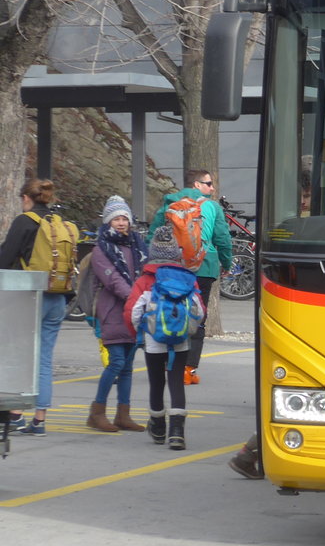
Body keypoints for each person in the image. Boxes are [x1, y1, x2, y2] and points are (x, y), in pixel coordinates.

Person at [0, 179, 75, 436]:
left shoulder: (25, 221)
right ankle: (39, 420)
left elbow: (5, 258)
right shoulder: (57, 221)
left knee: (16, 357)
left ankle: (16, 415)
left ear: (25, 198)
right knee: (43, 359)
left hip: (29, 298)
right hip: (56, 297)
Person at [148, 168, 232, 385]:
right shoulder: (212, 207)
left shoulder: (169, 204)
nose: (212, 188)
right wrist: (226, 262)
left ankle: (169, 363)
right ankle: (187, 369)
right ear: (197, 185)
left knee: (172, 312)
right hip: (204, 266)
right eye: (208, 183)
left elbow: (153, 235)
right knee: (197, 317)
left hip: (174, 267)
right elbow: (222, 238)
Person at [127, 226, 205, 450]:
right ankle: (177, 433)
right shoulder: (187, 279)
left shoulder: (145, 280)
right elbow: (199, 310)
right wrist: (189, 330)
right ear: (176, 253)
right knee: (176, 383)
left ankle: (159, 428)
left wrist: (139, 333)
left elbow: (133, 310)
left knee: (156, 383)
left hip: (154, 340)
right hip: (180, 340)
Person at [86, 195, 150, 433]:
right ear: (108, 222)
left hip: (134, 312)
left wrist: (141, 298)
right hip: (113, 310)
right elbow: (111, 280)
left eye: (124, 218)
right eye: (116, 219)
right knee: (117, 363)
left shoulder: (137, 244)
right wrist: (137, 297)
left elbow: (146, 272)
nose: (121, 223)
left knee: (128, 367)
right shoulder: (100, 248)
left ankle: (123, 414)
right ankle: (97, 413)